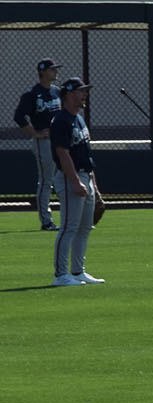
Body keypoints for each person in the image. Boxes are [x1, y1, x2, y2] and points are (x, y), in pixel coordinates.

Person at [47, 77, 99, 286]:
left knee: (85, 227)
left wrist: (93, 184)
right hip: (70, 178)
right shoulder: (61, 120)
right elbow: (62, 154)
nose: (85, 94)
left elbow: (85, 153)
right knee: (69, 227)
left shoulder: (78, 118)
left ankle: (78, 271)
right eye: (81, 91)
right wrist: (76, 182)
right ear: (69, 93)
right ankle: (60, 275)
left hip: (86, 175)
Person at [12, 58, 61, 230]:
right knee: (46, 180)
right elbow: (19, 116)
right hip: (44, 142)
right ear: (43, 72)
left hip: (59, 141)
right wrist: (35, 133)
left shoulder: (57, 92)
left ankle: (69, 217)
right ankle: (46, 221)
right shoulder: (32, 94)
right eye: (52, 69)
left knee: (62, 178)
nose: (55, 72)